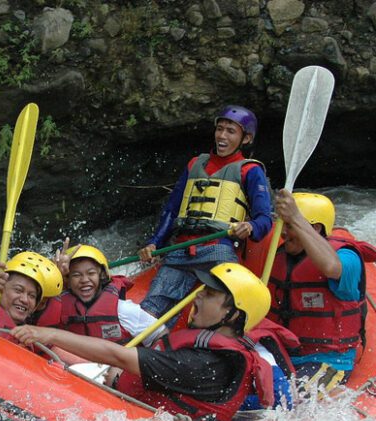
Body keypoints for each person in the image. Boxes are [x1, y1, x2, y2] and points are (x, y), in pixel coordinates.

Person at [12, 263, 275, 421]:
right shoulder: (210, 352)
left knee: (59, 356)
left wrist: (46, 332)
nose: (198, 296)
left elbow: (118, 355)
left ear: (231, 315)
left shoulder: (203, 364)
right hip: (137, 403)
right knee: (57, 354)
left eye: (210, 294)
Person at [138, 105, 274, 322]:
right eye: (219, 129)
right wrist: (155, 243)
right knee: (149, 311)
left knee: (221, 312)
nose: (222, 135)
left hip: (217, 250)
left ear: (246, 139)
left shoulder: (250, 170)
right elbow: (172, 211)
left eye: (231, 131)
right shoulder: (194, 164)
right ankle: (149, 347)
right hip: (181, 250)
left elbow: (265, 219)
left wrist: (250, 227)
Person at [269, 190, 376, 384]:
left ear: (315, 228)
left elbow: (331, 267)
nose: (283, 232)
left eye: (289, 225)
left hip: (328, 361)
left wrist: (296, 217)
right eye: (282, 224)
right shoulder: (280, 255)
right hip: (282, 355)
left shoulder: (347, 258)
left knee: (291, 401)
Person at [38, 242, 166, 347]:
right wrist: (55, 273)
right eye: (76, 275)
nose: (84, 280)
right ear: (68, 281)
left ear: (102, 276)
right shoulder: (58, 305)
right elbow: (35, 312)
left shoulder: (123, 310)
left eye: (91, 273)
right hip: (73, 367)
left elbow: (161, 334)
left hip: (117, 370)